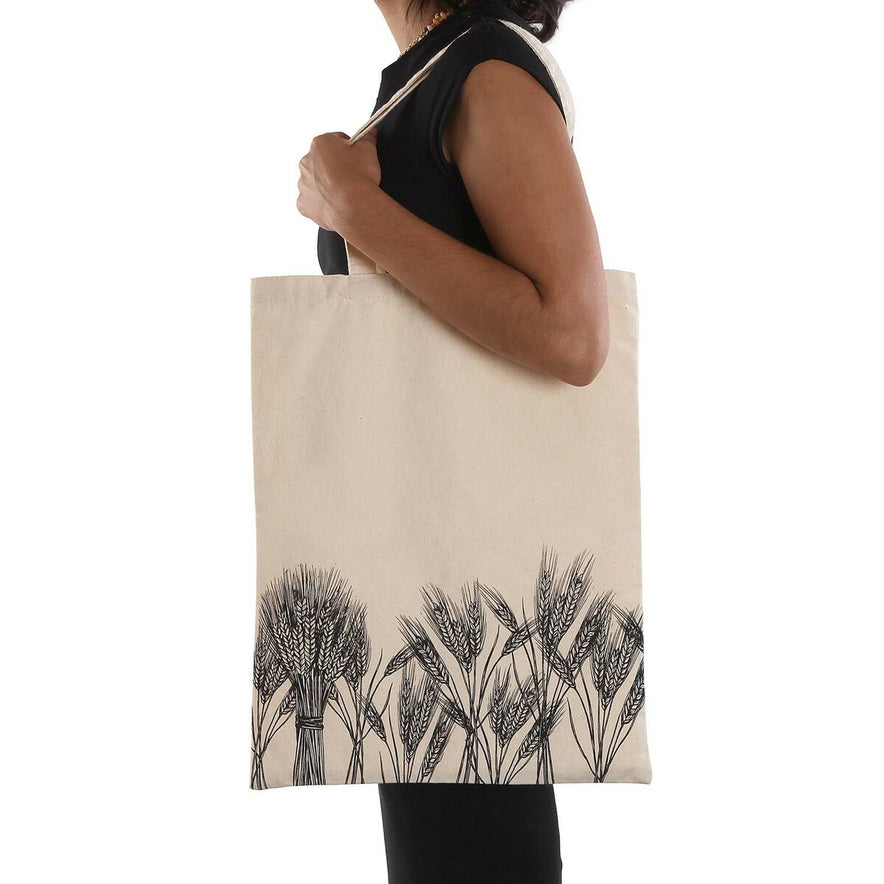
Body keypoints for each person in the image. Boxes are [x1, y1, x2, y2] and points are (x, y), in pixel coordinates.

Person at [296, 1, 609, 881]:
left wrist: (355, 207)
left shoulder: (484, 70)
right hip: (421, 566)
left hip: (472, 580)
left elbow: (572, 334)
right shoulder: (433, 76)